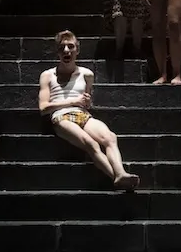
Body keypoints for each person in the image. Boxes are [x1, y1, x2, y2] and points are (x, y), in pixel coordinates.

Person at [37, 30, 139, 189]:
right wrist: (73, 101)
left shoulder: (87, 74)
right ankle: (116, 178)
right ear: (57, 52)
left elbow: (86, 102)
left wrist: (86, 102)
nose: (66, 50)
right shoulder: (48, 75)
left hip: (82, 115)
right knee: (91, 144)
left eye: (70, 47)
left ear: (77, 50)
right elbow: (43, 108)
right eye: (62, 48)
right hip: (61, 116)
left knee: (110, 137)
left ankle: (121, 173)